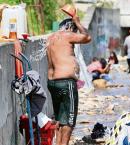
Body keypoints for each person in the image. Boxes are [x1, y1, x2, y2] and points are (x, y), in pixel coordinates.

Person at [47, 15, 91, 145]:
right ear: (69, 28)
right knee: (70, 122)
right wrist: (77, 22)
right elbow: (87, 37)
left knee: (61, 120)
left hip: (53, 83)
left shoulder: (51, 38)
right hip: (66, 83)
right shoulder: (67, 35)